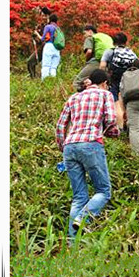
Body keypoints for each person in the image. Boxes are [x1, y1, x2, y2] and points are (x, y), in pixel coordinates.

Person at [55, 69, 119, 240]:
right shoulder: (105, 95)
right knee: (104, 191)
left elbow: (60, 126)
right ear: (105, 83)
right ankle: (82, 218)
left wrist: (63, 148)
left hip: (70, 146)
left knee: (79, 197)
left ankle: (72, 242)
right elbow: (111, 120)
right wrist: (112, 132)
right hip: (91, 144)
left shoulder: (74, 97)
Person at [119, 59, 139, 159]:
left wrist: (124, 108)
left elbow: (122, 91)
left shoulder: (125, 75)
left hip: (131, 103)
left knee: (134, 128)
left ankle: (136, 155)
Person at [73, 25, 113, 91]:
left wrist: (86, 60)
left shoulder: (90, 38)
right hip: (106, 64)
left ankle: (77, 99)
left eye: (84, 33)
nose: (84, 36)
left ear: (90, 32)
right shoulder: (102, 38)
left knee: (77, 81)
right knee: (102, 84)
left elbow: (89, 51)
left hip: (95, 63)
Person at [100, 32, 138, 102]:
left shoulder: (110, 51)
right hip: (128, 81)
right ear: (125, 42)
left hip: (113, 79)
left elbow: (102, 66)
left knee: (113, 98)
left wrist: (104, 79)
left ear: (113, 42)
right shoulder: (131, 53)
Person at [27, 7, 51, 78]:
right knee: (30, 62)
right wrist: (35, 36)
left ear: (47, 16)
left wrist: (37, 34)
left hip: (47, 48)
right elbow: (39, 41)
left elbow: (44, 39)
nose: (42, 17)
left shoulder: (50, 26)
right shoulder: (42, 26)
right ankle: (33, 78)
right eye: (42, 15)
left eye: (44, 15)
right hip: (42, 47)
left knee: (46, 66)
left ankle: (43, 80)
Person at [41, 14, 61, 80]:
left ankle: (44, 81)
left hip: (49, 46)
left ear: (49, 19)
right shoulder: (58, 28)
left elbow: (43, 38)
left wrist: (36, 34)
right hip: (57, 48)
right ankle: (53, 81)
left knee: (46, 65)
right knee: (53, 67)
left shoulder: (48, 27)